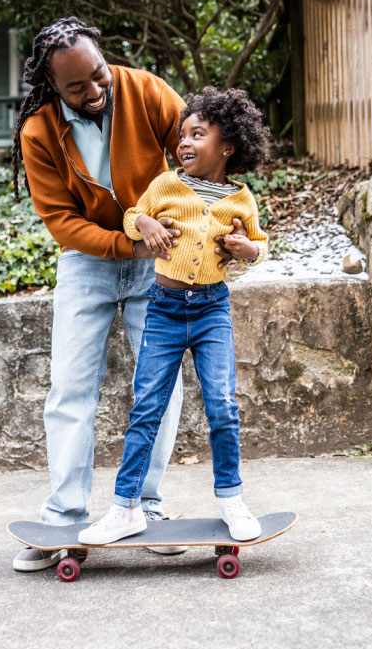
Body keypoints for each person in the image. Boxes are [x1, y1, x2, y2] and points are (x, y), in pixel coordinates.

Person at [10, 17, 190, 571]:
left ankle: (145, 508)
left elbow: (197, 152)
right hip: (89, 262)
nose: (94, 91)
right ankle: (64, 520)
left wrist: (217, 219)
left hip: (159, 254)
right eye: (76, 87)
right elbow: (62, 222)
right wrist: (124, 245)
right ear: (51, 86)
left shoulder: (146, 90)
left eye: (98, 75)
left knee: (159, 385)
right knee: (69, 389)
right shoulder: (38, 132)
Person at [77, 87, 270, 546]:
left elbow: (258, 245)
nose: (184, 142)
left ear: (228, 146)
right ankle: (125, 509)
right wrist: (143, 224)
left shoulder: (241, 200)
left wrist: (248, 249)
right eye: (182, 134)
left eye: (197, 134)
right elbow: (133, 218)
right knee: (146, 408)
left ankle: (231, 498)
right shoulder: (166, 184)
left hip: (212, 310)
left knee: (222, 405)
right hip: (163, 310)